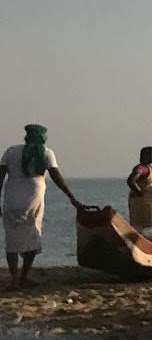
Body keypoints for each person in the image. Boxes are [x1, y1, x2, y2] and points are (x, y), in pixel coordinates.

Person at [0, 125, 84, 291]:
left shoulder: (11, 151)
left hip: (12, 200)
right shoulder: (46, 152)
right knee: (32, 236)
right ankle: (23, 278)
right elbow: (56, 177)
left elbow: (0, 177)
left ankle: (14, 280)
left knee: (12, 241)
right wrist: (72, 198)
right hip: (33, 200)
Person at [126, 146, 152, 229]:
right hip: (142, 204)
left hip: (151, 204)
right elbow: (131, 181)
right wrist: (140, 193)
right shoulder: (141, 168)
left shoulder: (150, 169)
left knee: (150, 225)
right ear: (144, 155)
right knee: (142, 226)